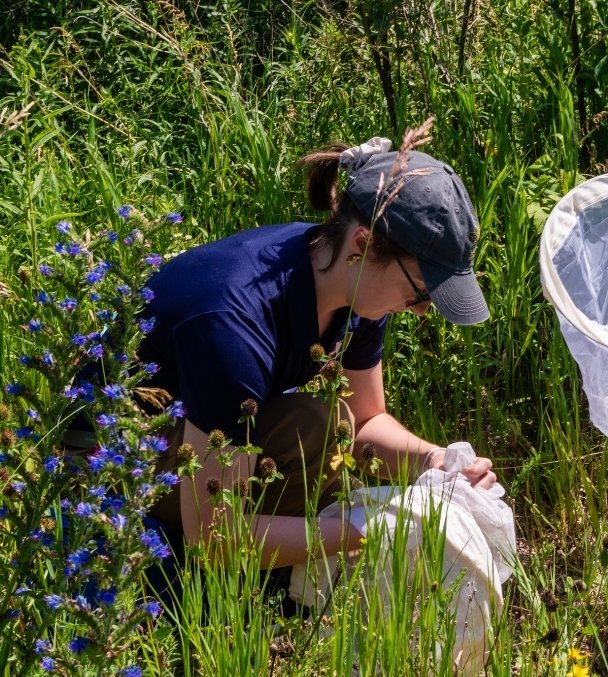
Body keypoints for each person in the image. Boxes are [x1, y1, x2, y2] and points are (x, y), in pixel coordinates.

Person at [132, 136, 497, 603]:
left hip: (194, 430)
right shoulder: (235, 328)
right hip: (113, 457)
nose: (423, 311)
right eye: (422, 292)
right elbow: (215, 535)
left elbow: (365, 422)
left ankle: (276, 567)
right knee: (311, 435)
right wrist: (353, 532)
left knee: (326, 424)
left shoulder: (350, 285)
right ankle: (211, 583)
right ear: (363, 244)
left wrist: (434, 461)